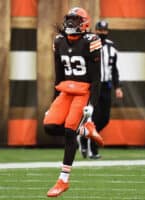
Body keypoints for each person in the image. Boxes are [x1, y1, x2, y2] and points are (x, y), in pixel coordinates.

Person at [43, 7, 105, 197]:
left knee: (70, 131)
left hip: (83, 91)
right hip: (66, 90)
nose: (71, 24)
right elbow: (58, 76)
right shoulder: (59, 41)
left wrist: (91, 106)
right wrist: (53, 102)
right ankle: (86, 130)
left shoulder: (91, 41)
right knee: (50, 126)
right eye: (69, 20)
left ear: (84, 24)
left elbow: (96, 79)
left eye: (76, 20)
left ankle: (63, 180)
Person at [78, 20, 123, 159]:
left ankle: (85, 136)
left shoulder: (111, 47)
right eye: (100, 30)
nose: (102, 33)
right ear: (95, 30)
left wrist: (117, 87)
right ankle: (93, 150)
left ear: (107, 31)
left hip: (106, 86)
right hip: (94, 86)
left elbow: (114, 69)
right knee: (96, 117)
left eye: (104, 31)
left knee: (105, 118)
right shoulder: (89, 45)